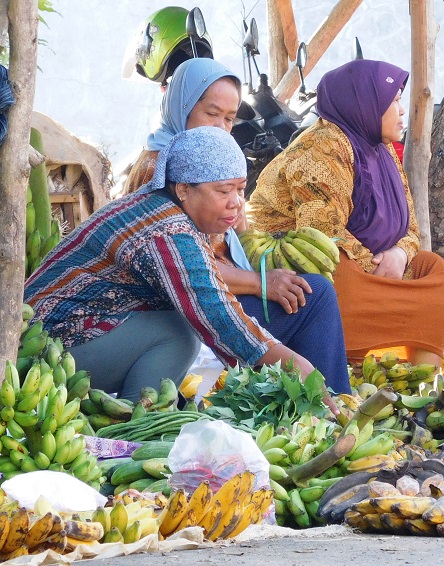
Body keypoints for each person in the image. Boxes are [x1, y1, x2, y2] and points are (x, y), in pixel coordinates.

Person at [25, 127, 343, 410]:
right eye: (223, 191)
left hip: (87, 331)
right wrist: (302, 370)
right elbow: (221, 319)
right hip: (42, 349)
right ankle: (139, 429)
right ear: (183, 189)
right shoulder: (167, 232)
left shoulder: (164, 209)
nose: (235, 202)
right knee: (179, 334)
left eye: (241, 189)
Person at [122, 57, 349, 393]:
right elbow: (184, 268)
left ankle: (314, 406)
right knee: (314, 298)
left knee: (309, 290)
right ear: (181, 107)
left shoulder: (203, 160)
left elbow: (216, 245)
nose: (221, 128)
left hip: (214, 290)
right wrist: (261, 282)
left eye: (229, 119)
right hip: (183, 309)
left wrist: (239, 229)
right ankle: (330, 405)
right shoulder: (162, 167)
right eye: (211, 114)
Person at [248, 59, 444, 365]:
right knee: (338, 267)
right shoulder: (322, 148)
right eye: (393, 102)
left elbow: (411, 225)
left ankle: (421, 378)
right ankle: (359, 359)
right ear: (365, 103)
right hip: (296, 259)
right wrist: (378, 266)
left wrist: (400, 255)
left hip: (374, 262)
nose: (402, 111)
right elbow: (321, 234)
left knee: (432, 268)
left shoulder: (381, 151)